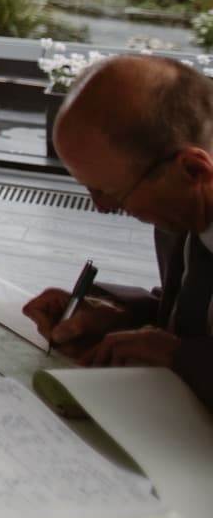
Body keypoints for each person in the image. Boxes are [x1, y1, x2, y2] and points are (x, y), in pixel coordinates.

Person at [21, 54, 213, 408]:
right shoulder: (181, 211)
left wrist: (180, 357)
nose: (101, 207)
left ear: (193, 170)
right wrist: (114, 316)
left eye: (110, 191)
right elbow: (194, 310)